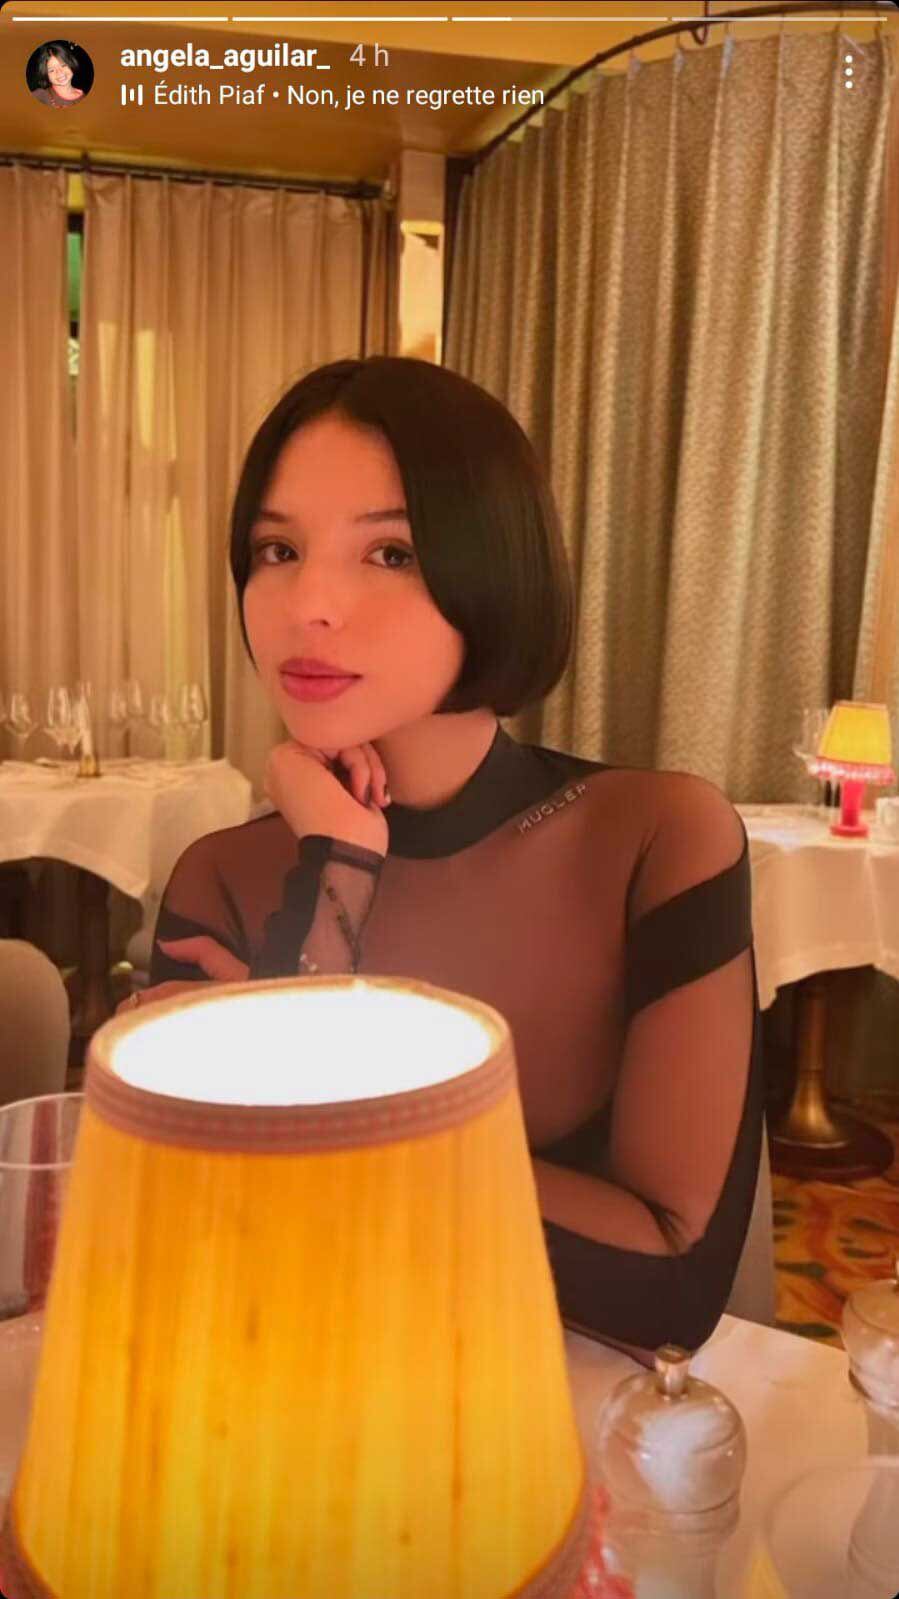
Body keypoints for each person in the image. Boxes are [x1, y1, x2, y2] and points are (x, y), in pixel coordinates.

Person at [128, 356, 763, 1358]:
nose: (307, 603)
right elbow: (216, 1239)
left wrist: (313, 1083)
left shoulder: (654, 838)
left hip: (565, 1414)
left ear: (496, 569)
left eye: (390, 552)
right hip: (306, 1386)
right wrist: (336, 860)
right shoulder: (224, 873)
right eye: (277, 548)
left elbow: (668, 1283)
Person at [30, 43, 85, 107]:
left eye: (63, 65)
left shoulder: (84, 96)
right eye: (52, 70)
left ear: (71, 64)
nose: (59, 72)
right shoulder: (40, 96)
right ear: (46, 74)